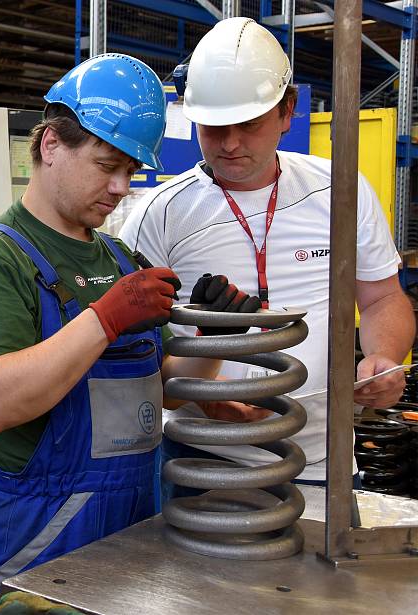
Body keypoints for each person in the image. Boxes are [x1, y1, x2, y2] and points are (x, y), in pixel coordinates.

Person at [0, 53, 258, 605]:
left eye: (130, 171)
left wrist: (213, 337)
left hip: (132, 518)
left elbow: (163, 382)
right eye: (105, 164)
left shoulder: (117, 258)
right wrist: (105, 318)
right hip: (35, 533)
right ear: (50, 145)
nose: (119, 186)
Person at [119, 17, 415, 492]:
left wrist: (384, 357)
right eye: (214, 127)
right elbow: (133, 347)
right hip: (200, 459)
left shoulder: (339, 193)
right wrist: (199, 395)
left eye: (250, 124)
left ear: (287, 112)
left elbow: (382, 298)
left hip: (321, 459)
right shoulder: (161, 213)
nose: (231, 144)